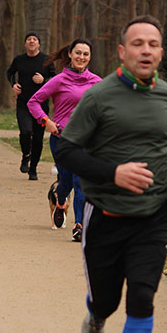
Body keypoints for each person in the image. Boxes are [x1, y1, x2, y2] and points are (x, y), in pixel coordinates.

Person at [55, 15, 167, 333]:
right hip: (105, 216)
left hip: (153, 217)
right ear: (122, 51)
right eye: (137, 43)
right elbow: (66, 151)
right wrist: (112, 173)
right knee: (108, 299)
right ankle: (96, 312)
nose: (146, 50)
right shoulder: (99, 97)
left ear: (161, 52)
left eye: (153, 43)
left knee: (142, 297)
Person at [27, 39, 101, 240]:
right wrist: (46, 121)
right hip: (62, 140)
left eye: (85, 54)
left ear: (89, 57)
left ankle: (79, 225)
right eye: (78, 53)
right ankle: (60, 201)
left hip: (85, 142)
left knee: (80, 182)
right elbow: (33, 102)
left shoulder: (96, 82)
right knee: (66, 182)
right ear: (70, 54)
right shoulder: (59, 80)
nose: (81, 57)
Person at [7, 32, 55, 180]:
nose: (32, 41)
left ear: (39, 44)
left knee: (38, 139)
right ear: (25, 43)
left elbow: (55, 78)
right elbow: (9, 73)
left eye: (35, 39)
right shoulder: (19, 60)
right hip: (23, 103)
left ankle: (33, 168)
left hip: (41, 105)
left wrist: (44, 80)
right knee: (26, 131)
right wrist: (13, 84)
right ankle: (25, 155)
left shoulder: (46, 60)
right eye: (29, 39)